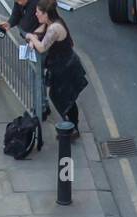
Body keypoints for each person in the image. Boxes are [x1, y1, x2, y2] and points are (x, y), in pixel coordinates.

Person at [28, 0, 89, 139]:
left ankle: (73, 128)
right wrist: (35, 37)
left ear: (46, 14)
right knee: (60, 97)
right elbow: (41, 29)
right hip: (61, 65)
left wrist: (31, 37)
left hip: (66, 67)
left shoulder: (55, 28)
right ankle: (69, 125)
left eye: (38, 12)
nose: (35, 13)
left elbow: (42, 47)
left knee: (66, 99)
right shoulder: (50, 22)